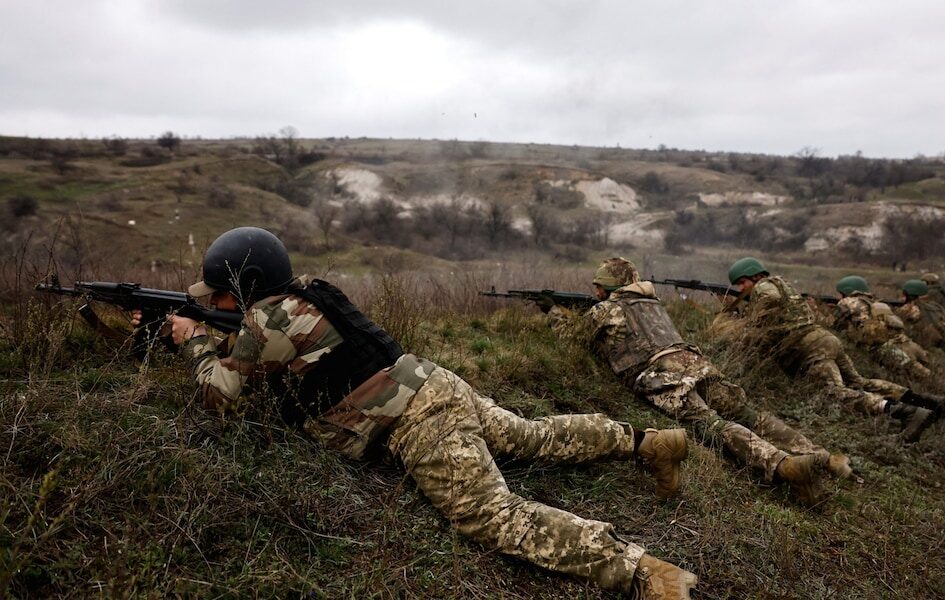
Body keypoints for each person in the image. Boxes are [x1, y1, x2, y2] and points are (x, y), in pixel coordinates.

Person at [134, 227, 698, 600]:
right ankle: (647, 442)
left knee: (492, 516)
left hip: (418, 421)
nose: (212, 304)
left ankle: (645, 572)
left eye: (219, 295)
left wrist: (192, 340)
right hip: (433, 383)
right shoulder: (304, 294)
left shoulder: (269, 321)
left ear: (246, 286)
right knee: (530, 435)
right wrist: (203, 330)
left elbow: (222, 397)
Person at [541, 257, 851, 507]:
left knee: (712, 425)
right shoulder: (651, 304)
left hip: (662, 374)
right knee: (748, 414)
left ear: (605, 287)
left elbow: (573, 341)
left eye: (598, 287)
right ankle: (825, 458)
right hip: (696, 363)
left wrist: (554, 313)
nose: (595, 293)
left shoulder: (606, 310)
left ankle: (784, 466)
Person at [724, 257, 938, 443]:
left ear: (753, 276)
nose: (741, 289)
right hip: (825, 339)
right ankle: (923, 402)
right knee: (859, 382)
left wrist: (753, 320)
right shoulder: (782, 283)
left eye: (742, 283)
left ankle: (903, 412)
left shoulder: (764, 287)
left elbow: (770, 300)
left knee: (833, 392)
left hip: (811, 347)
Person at [833, 276, 945, 405]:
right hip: (904, 344)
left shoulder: (847, 302)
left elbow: (834, 323)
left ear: (846, 291)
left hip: (884, 350)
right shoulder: (878, 304)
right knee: (926, 373)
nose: (838, 297)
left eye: (839, 294)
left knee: (920, 376)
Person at [897, 279, 945, 358]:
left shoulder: (907, 310)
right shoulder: (936, 306)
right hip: (944, 341)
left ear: (906, 294)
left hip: (926, 347)